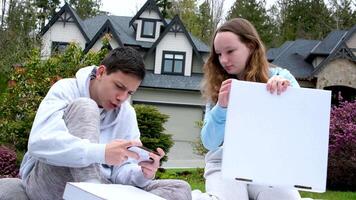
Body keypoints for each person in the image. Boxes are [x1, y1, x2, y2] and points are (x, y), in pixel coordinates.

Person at [19, 47, 191, 200]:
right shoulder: (65, 89)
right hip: (48, 183)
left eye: (129, 92)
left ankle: (95, 193)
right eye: (119, 86)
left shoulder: (126, 114)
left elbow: (121, 171)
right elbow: (39, 143)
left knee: (179, 190)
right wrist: (101, 152)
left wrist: (141, 173)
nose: (122, 98)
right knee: (85, 107)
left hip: (103, 185)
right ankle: (93, 193)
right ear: (101, 72)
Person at [195, 18, 302, 200]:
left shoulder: (280, 77)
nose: (224, 60)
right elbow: (209, 142)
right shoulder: (219, 87)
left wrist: (286, 95)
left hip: (267, 164)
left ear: (251, 46)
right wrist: (221, 107)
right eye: (219, 54)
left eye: (230, 51)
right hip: (223, 164)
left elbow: (302, 120)